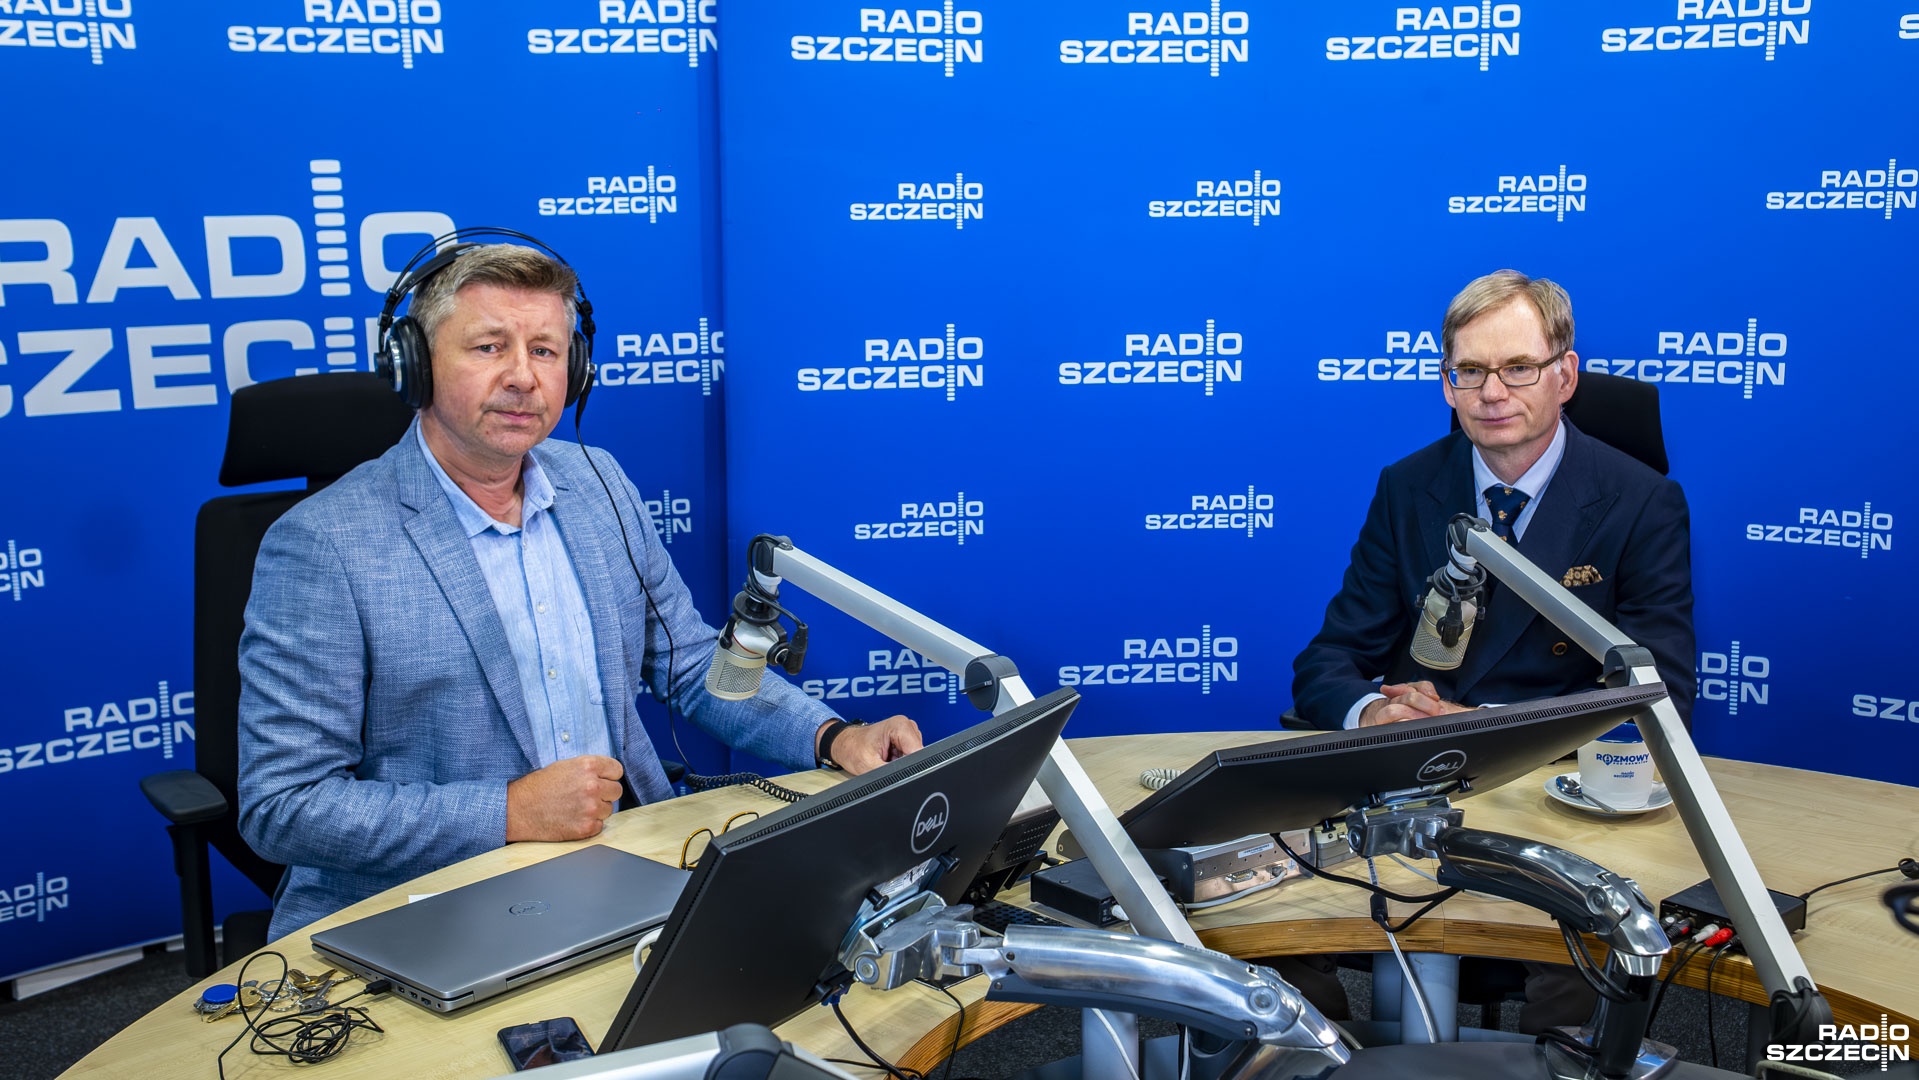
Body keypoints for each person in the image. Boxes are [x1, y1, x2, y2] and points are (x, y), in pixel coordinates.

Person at [238, 243, 921, 940]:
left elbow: (690, 665)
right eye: (488, 347)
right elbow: (284, 805)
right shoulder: (323, 544)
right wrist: (509, 811)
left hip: (623, 867)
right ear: (415, 364)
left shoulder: (598, 484)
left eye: (545, 351)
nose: (522, 377)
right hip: (429, 907)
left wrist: (831, 736)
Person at [1284, 269, 1696, 1032]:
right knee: (1267, 913)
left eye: (1518, 368)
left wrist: (1483, 727)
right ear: (1446, 384)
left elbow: (1657, 692)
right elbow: (1326, 659)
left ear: (1565, 375)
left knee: (1580, 961)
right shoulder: (1407, 486)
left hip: (1548, 795)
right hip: (1409, 787)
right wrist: (1372, 711)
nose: (1492, 393)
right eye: (1468, 371)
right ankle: (1327, 1059)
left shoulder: (1640, 501)